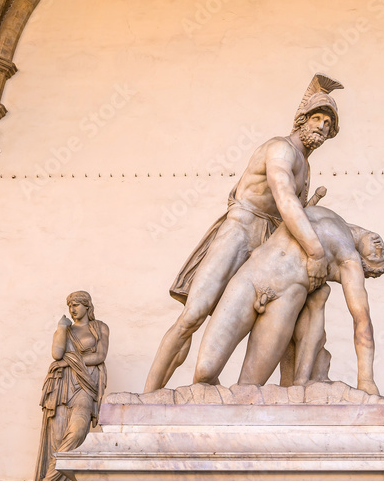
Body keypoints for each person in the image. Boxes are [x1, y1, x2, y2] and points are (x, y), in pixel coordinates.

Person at [144, 74, 343, 392]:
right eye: (316, 118)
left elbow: (293, 213)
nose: (321, 126)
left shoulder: (305, 169)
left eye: (327, 123)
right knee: (194, 314)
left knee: (292, 316)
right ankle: (148, 394)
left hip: (269, 243)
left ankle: (291, 393)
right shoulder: (280, 149)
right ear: (301, 120)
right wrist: (316, 251)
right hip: (240, 230)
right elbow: (284, 197)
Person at [193, 205, 384, 394]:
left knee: (247, 391)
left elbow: (361, 319)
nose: (380, 249)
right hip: (251, 278)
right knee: (204, 372)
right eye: (382, 254)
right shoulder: (328, 215)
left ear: (363, 266)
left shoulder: (348, 260)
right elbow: (285, 201)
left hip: (282, 304)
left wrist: (366, 380)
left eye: (376, 257)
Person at [29, 291, 109, 481]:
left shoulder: (99, 327)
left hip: (85, 385)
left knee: (77, 432)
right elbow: (57, 353)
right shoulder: (65, 329)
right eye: (69, 305)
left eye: (76, 304)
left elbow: (100, 356)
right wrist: (61, 328)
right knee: (57, 439)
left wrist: (70, 361)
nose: (72, 309)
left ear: (87, 306)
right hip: (62, 385)